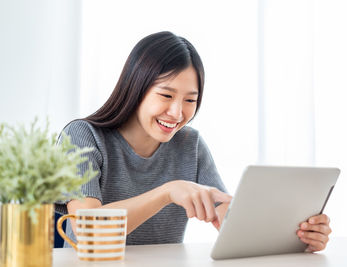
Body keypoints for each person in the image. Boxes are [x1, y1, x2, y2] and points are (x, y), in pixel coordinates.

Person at [55, 31, 331, 252]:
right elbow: (89, 228)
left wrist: (299, 237)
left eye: (190, 100)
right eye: (166, 95)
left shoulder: (190, 145)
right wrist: (167, 192)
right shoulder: (82, 137)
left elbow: (231, 223)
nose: (177, 113)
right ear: (135, 88)